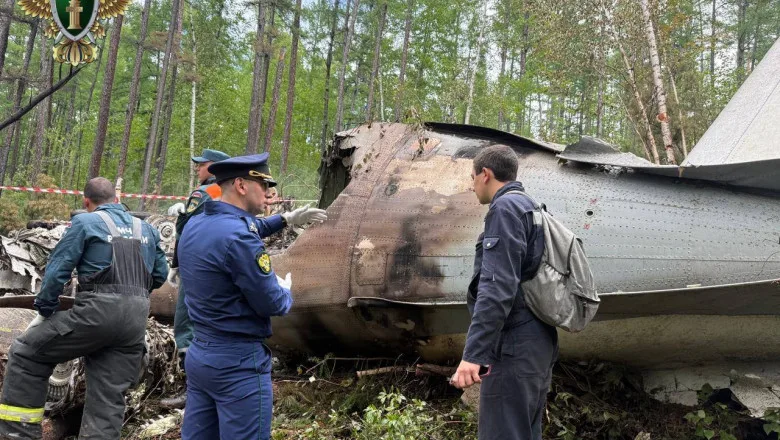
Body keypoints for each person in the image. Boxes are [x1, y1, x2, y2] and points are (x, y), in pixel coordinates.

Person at [0, 177, 168, 440]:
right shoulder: (146, 229)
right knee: (108, 394)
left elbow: (58, 269)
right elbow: (160, 275)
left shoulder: (85, 222)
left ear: (86, 202)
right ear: (117, 200)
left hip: (96, 314)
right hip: (135, 321)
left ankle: (18, 434)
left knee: (26, 353)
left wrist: (45, 308)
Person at [178, 153, 327, 440]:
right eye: (264, 185)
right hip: (237, 363)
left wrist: (285, 218)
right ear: (242, 185)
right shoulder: (239, 239)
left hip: (201, 355)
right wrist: (284, 290)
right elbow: (271, 302)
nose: (270, 193)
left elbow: (243, 226)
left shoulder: (197, 224)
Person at [450, 145, 558, 440]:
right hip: (535, 342)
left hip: (514, 346)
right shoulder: (531, 206)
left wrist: (474, 354)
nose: (471, 187)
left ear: (485, 174)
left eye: (472, 177)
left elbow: (497, 289)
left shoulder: (505, 208)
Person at [162, 148, 230, 408]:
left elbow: (184, 230)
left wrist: (176, 265)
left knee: (186, 326)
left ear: (212, 168)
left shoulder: (204, 192)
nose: (197, 169)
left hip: (197, 266)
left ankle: (192, 392)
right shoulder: (233, 191)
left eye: (201, 165)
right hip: (221, 267)